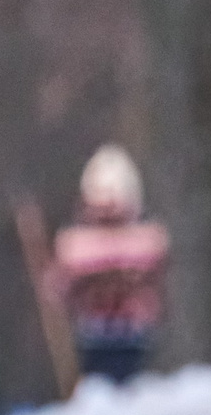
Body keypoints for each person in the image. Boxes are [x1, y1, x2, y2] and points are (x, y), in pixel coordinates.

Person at [48, 144, 168, 385]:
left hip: (134, 343)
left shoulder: (146, 241)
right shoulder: (76, 244)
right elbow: (58, 290)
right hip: (94, 341)